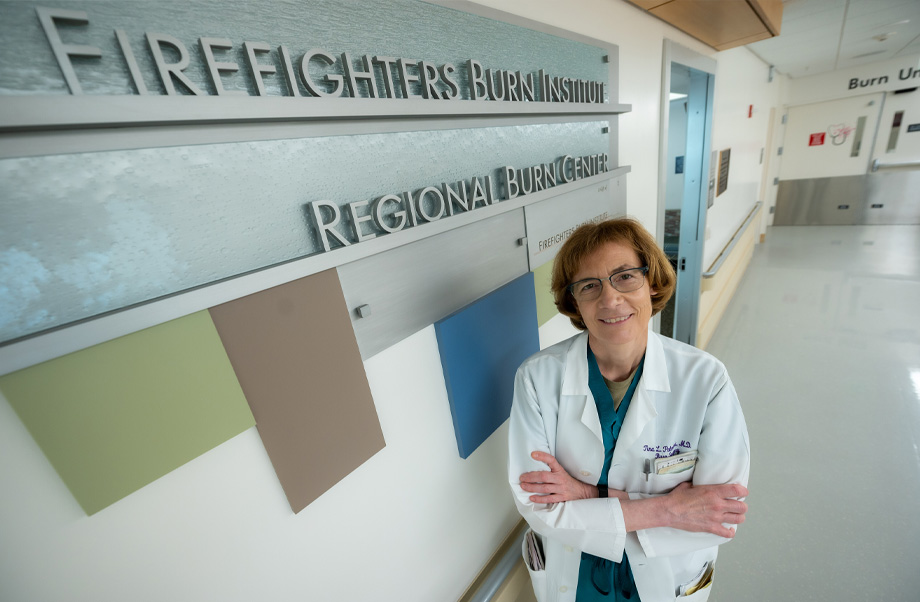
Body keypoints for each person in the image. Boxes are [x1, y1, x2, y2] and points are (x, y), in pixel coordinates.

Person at [508, 218, 749, 602]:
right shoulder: (537, 379)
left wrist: (588, 494)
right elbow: (541, 510)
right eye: (590, 286)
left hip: (665, 575)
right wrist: (670, 509)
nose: (610, 299)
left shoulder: (706, 380)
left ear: (651, 283)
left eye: (625, 277)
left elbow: (715, 517)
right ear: (575, 303)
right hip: (575, 572)